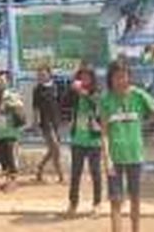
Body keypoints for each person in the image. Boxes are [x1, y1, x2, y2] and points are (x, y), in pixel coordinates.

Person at [101, 62, 154, 232]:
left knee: (135, 198)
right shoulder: (106, 100)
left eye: (124, 75)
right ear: (110, 79)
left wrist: (143, 127)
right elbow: (104, 133)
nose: (120, 80)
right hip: (115, 157)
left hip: (135, 155)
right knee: (115, 201)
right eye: (116, 76)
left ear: (129, 76)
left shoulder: (138, 95)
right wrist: (107, 159)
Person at [66, 66, 102, 217]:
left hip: (93, 140)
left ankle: (97, 204)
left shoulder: (97, 93)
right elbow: (64, 103)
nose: (84, 80)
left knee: (95, 173)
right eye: (81, 77)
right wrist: (71, 90)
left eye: (87, 77)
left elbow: (97, 107)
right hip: (77, 140)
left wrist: (85, 94)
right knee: (75, 174)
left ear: (92, 79)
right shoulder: (75, 93)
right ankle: (73, 203)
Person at [0, 70, 24, 191]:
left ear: (8, 82)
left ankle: (12, 182)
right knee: (2, 156)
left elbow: (19, 106)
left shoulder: (12, 94)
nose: (0, 83)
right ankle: (6, 180)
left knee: (10, 156)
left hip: (10, 131)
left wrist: (7, 105)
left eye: (3, 81)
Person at [33, 65, 63, 183]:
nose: (41, 76)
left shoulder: (55, 87)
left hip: (56, 121)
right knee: (56, 148)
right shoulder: (37, 90)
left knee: (53, 150)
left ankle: (40, 167)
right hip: (46, 123)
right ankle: (61, 176)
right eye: (39, 74)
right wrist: (35, 123)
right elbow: (35, 108)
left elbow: (59, 104)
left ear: (49, 74)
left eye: (43, 74)